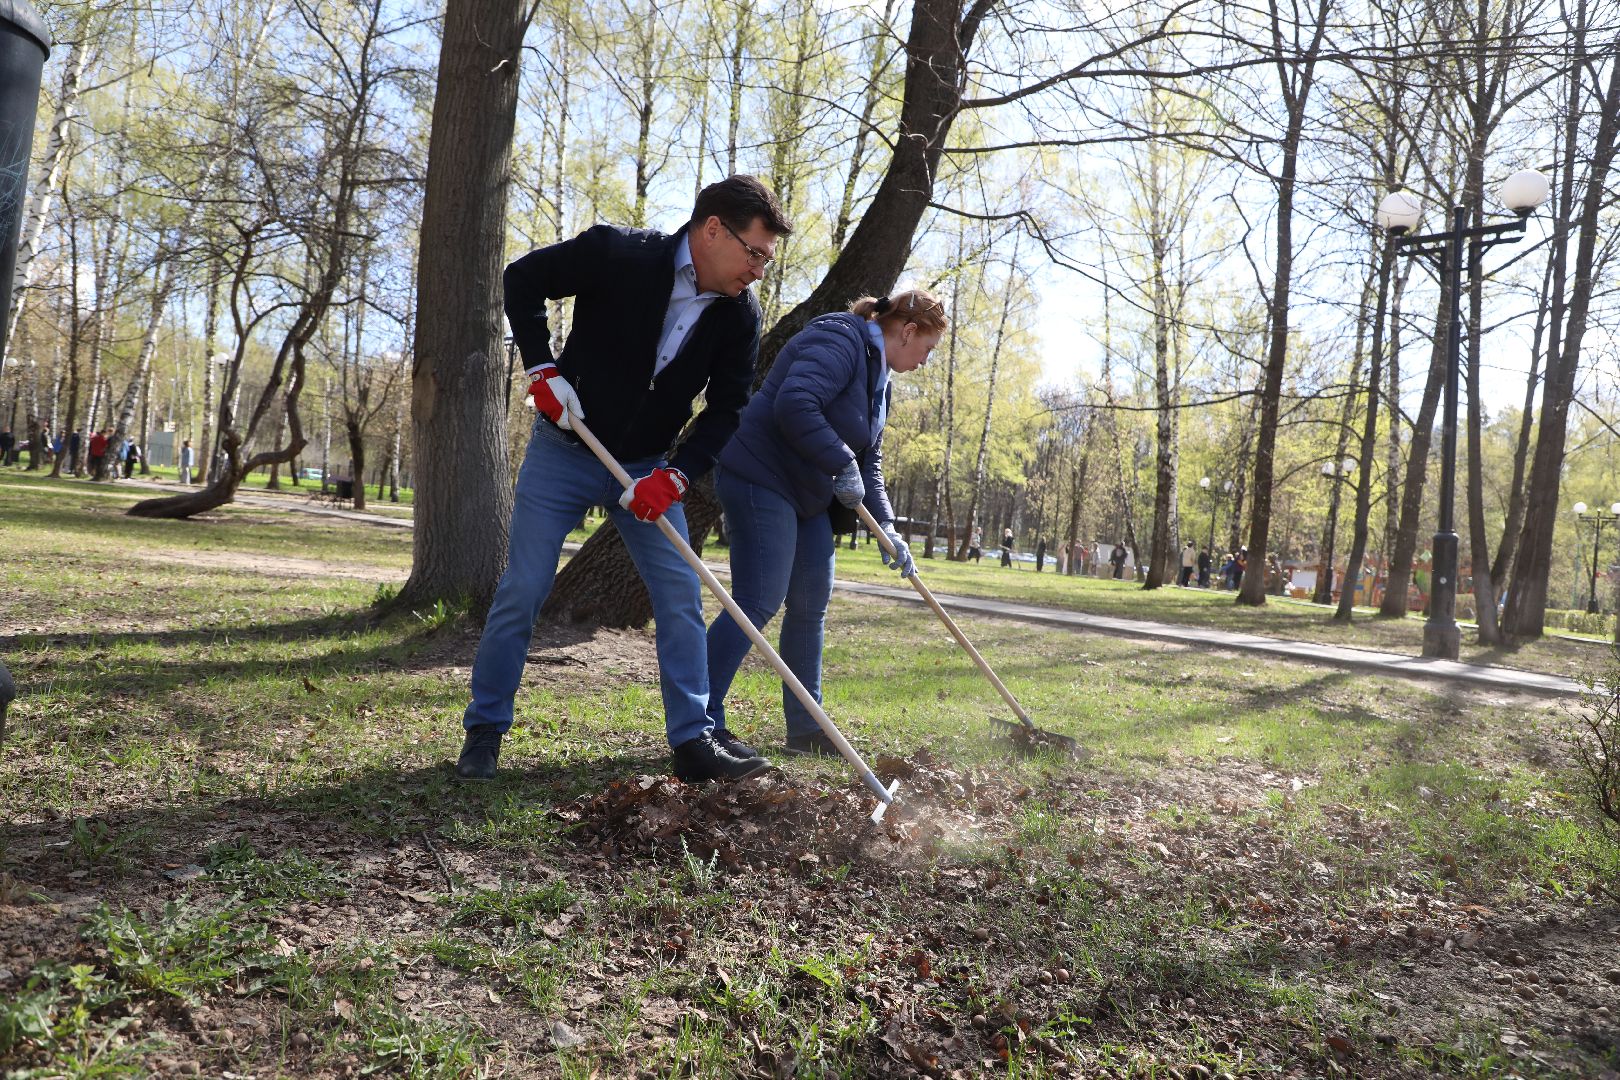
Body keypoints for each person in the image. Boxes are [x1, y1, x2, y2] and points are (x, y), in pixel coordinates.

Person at [456, 175, 793, 784]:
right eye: (755, 253)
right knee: (524, 587)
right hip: (564, 450)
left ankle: (692, 740)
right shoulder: (618, 253)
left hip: (645, 469)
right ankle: (485, 730)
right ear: (712, 230)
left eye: (766, 260)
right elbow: (522, 279)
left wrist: (677, 475)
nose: (758, 271)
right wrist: (541, 368)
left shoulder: (740, 316)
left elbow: (727, 410)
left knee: (681, 598)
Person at [704, 288, 946, 756]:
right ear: (908, 331)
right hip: (760, 474)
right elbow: (795, 402)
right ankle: (701, 722)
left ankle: (807, 729)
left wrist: (887, 527)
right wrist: (840, 461)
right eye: (927, 348)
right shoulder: (839, 337)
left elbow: (869, 463)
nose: (925, 360)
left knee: (811, 601)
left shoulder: (882, 381)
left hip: (807, 494)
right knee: (758, 599)